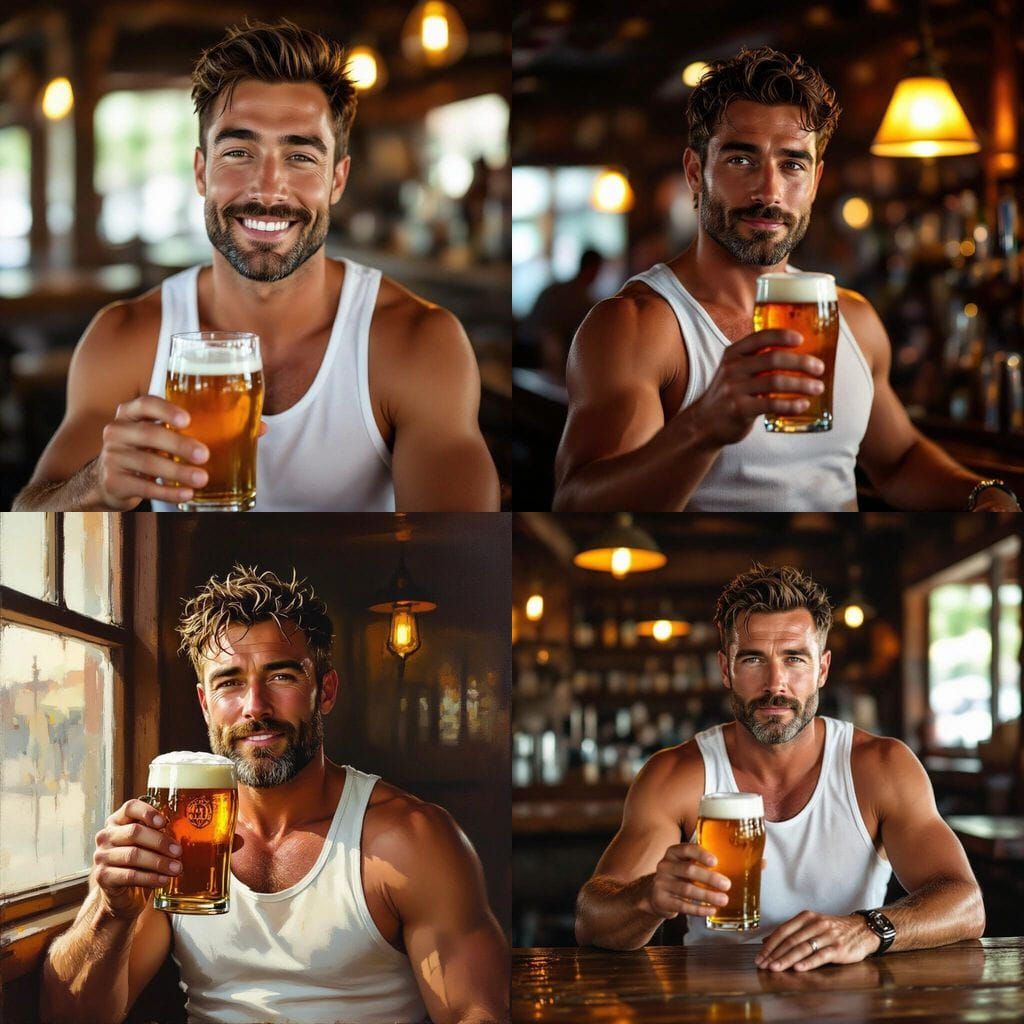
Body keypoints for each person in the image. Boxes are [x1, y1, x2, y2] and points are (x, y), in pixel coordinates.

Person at [14, 19, 499, 512]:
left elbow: (458, 547)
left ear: (337, 179)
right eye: (239, 152)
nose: (268, 189)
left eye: (300, 157)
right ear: (202, 172)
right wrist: (96, 483)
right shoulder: (124, 337)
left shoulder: (420, 343)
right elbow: (28, 517)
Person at [553, 47, 1020, 512]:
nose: (769, 192)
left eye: (792, 165)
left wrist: (982, 494)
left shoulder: (852, 317)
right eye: (741, 160)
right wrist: (703, 427)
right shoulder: (638, 326)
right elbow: (576, 505)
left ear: (814, 181)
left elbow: (899, 460)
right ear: (696, 173)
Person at [41, 566, 508, 1023]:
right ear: (205, 704)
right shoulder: (173, 839)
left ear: (324, 692)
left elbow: (477, 1010)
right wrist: (110, 910)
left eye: (282, 677)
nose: (255, 707)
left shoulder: (411, 837)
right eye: (229, 683)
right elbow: (69, 1015)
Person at [575, 564, 985, 971]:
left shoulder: (881, 766)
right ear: (725, 669)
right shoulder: (675, 774)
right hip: (715, 1003)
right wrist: (647, 897)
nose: (776, 684)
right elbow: (592, 920)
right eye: (753, 660)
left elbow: (966, 905)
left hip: (845, 1004)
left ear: (821, 669)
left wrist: (866, 930)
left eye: (794, 659)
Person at [523, 249, 605, 381]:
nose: (599, 275)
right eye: (599, 270)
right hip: (533, 351)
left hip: (529, 345)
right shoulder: (577, 297)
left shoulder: (567, 291)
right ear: (593, 268)